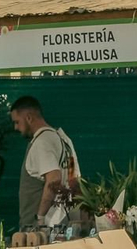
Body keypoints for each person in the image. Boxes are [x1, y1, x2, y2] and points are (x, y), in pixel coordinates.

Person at [9, 95, 82, 230]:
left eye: (17, 122)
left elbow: (54, 178)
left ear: (29, 118)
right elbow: (74, 179)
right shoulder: (64, 140)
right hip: (64, 223)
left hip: (41, 228)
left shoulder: (41, 142)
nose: (15, 127)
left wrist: (40, 218)